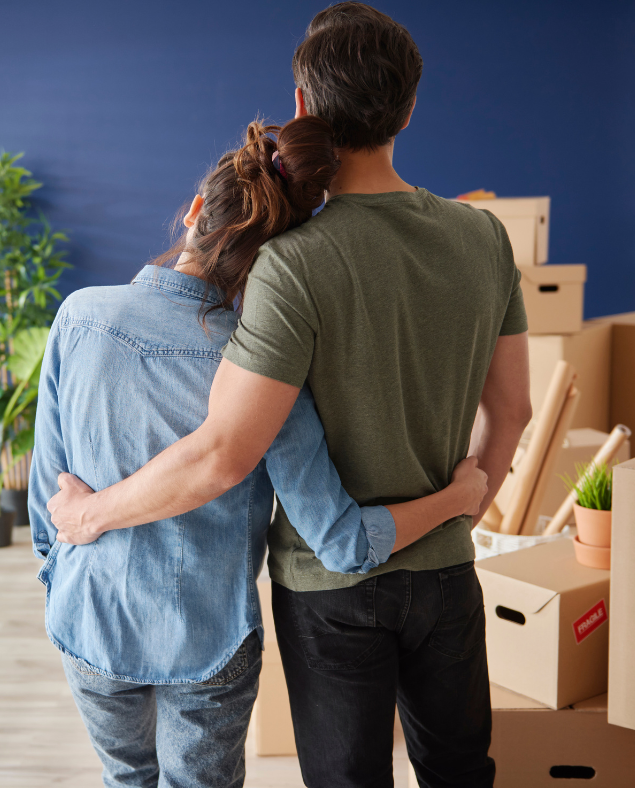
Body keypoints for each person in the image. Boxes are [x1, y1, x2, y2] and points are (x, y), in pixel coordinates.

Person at [47, 4, 533, 787]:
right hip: (445, 574)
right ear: (409, 108)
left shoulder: (290, 264)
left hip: (330, 592)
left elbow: (222, 452)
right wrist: (462, 506)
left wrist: (85, 516)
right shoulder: (484, 237)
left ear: (302, 105)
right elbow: (512, 412)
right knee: (460, 771)